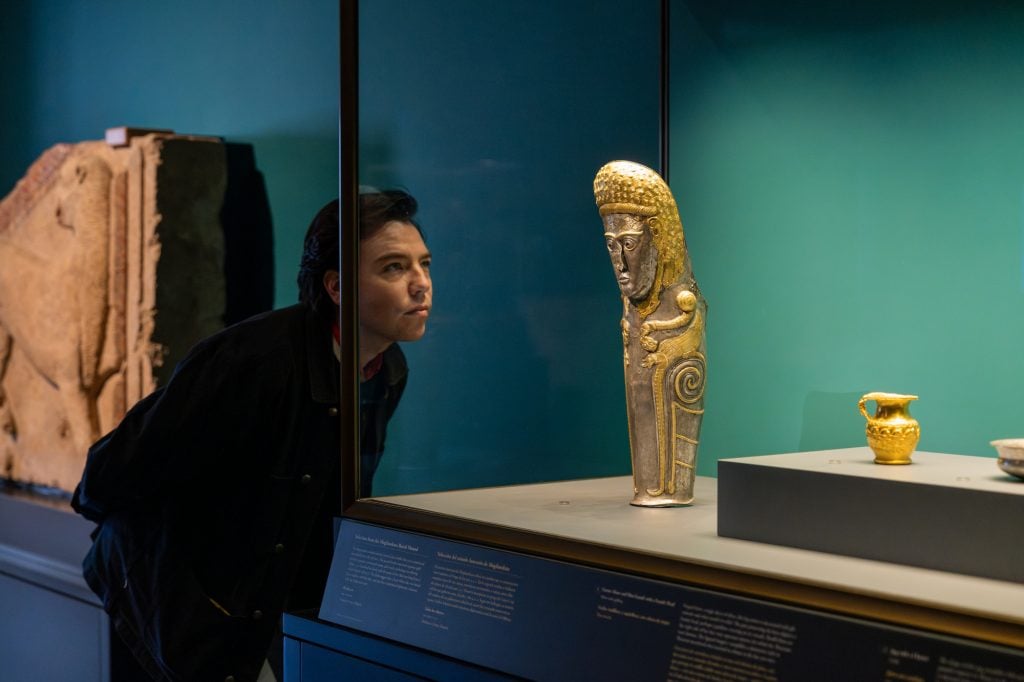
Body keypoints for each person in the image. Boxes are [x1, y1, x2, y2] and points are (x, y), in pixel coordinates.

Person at [71, 190, 432, 681]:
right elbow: (110, 475)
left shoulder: (387, 368)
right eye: (393, 267)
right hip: (187, 605)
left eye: (424, 264)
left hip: (270, 605)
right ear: (337, 286)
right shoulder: (255, 361)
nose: (421, 285)